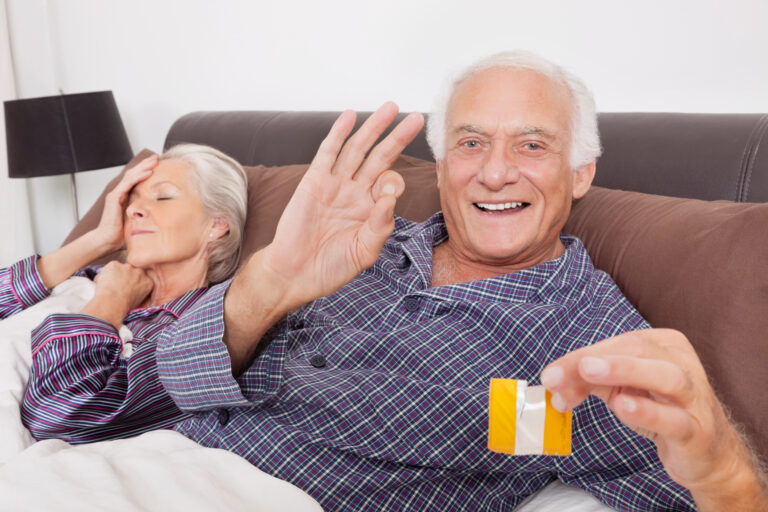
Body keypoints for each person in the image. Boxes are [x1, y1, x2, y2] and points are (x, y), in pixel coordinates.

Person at [153, 51, 767, 511]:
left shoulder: (588, 339)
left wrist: (723, 471)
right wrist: (272, 282)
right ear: (444, 167)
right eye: (471, 143)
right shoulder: (359, 244)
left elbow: (698, 489)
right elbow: (170, 376)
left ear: (580, 173)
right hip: (149, 460)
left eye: (531, 145)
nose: (495, 173)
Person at [0, 144, 248, 443]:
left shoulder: (202, 331)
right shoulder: (83, 278)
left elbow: (57, 415)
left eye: (163, 196)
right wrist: (97, 241)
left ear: (217, 225)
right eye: (130, 200)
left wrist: (111, 300)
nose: (133, 209)